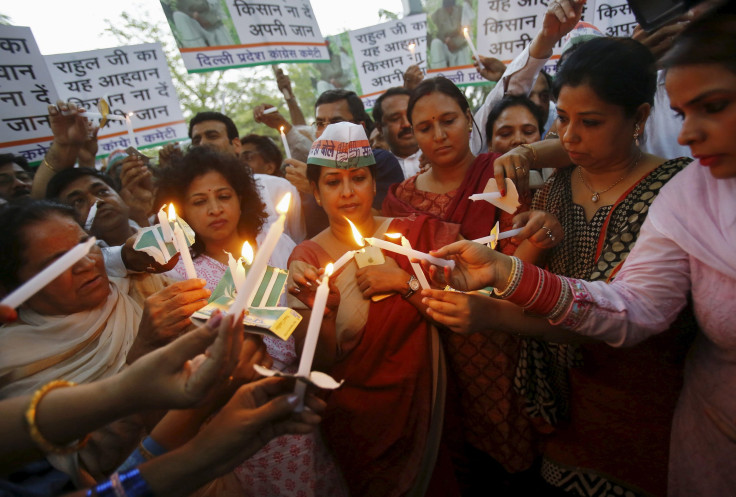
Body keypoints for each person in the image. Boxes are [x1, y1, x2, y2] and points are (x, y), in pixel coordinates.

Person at [422, 4, 736, 494]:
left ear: (639, 117)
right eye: (563, 119)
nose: (568, 136)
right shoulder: (563, 186)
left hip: (645, 405)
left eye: (589, 121)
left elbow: (633, 313)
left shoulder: (675, 186)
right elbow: (625, 303)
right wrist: (510, 263)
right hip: (562, 408)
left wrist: (496, 302)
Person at [382, 75, 564, 494]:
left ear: (468, 118)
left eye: (448, 120)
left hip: (503, 334)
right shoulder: (400, 199)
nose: (439, 134)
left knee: (514, 454)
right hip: (435, 338)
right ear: (412, 134)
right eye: (425, 128)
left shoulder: (497, 174)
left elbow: (521, 256)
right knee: (459, 455)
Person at [154, 146, 345, 497]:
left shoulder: (275, 245)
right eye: (199, 201)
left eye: (224, 196)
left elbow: (305, 326)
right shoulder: (177, 273)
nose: (215, 209)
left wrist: (314, 304)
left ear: (241, 198)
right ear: (181, 211)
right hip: (229, 412)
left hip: (294, 397)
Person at [288, 122, 462, 497]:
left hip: (425, 408)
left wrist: (404, 282)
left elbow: (460, 316)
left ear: (373, 182)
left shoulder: (411, 236)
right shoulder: (309, 258)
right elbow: (317, 363)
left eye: (359, 178)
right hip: (357, 423)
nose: (348, 192)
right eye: (333, 182)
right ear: (315, 193)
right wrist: (328, 312)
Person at [0, 200, 211, 486]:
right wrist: (143, 350)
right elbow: (90, 461)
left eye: (87, 247)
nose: (86, 264)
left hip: (214, 464)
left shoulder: (143, 286)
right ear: (14, 286)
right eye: (57, 263)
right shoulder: (12, 362)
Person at [280, 89, 404, 237]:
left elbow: (384, 219)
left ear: (361, 126)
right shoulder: (307, 169)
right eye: (320, 123)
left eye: (336, 123)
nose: (327, 131)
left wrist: (315, 188)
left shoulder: (379, 161)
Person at [177, 111, 305, 244]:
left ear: (237, 145)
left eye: (212, 136)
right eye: (197, 140)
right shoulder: (183, 193)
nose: (203, 143)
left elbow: (298, 239)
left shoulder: (278, 187)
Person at [372, 87, 422, 179]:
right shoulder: (376, 169)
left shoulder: (439, 158)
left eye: (410, 115)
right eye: (395, 118)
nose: (406, 124)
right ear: (380, 128)